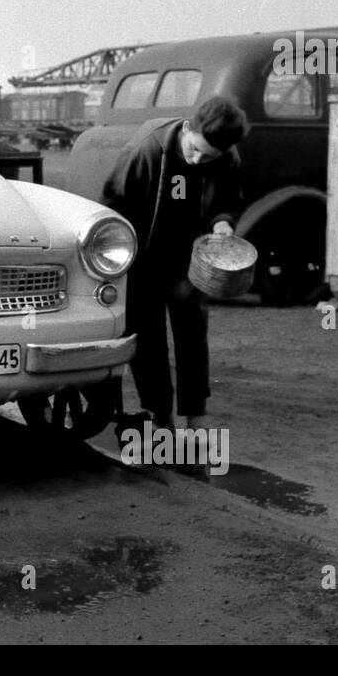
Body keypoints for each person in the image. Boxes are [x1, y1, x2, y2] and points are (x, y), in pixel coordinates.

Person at [100, 96, 249, 432]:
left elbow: (229, 202)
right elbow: (112, 209)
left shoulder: (226, 156)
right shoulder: (145, 151)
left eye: (208, 157)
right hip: (143, 258)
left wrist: (224, 222)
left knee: (193, 335)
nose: (198, 161)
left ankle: (196, 417)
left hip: (190, 259)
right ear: (187, 128)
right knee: (148, 340)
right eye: (194, 150)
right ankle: (160, 416)